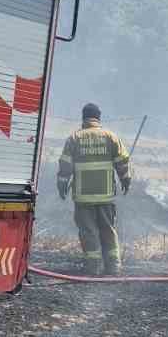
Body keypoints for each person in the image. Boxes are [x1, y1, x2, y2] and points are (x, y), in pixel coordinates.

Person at [57, 103, 131, 275]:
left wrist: (62, 184)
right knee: (108, 229)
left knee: (88, 231)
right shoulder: (110, 137)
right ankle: (113, 267)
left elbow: (65, 165)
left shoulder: (74, 138)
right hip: (105, 195)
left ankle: (93, 267)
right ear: (98, 118)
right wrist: (125, 179)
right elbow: (123, 161)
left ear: (83, 118)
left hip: (83, 197)